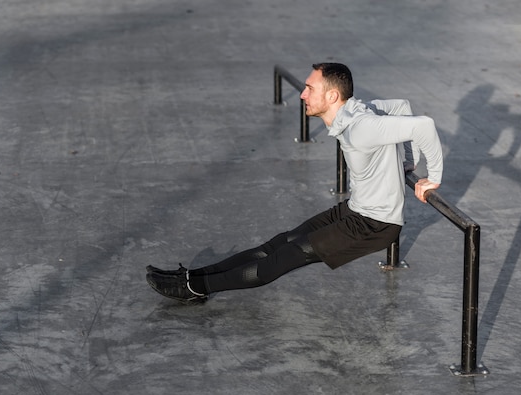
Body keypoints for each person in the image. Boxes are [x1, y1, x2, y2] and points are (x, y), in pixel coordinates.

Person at [146, 62, 443, 304]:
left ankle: (195, 290)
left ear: (332, 97)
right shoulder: (357, 110)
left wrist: (433, 178)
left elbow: (424, 125)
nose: (302, 94)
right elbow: (402, 106)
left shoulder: (362, 127)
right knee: (277, 243)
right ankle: (192, 276)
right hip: (356, 209)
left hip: (374, 225)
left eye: (310, 88)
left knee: (280, 260)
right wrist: (409, 159)